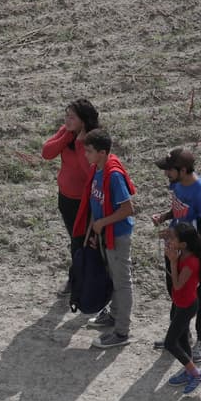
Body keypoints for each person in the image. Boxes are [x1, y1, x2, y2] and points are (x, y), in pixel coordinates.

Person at [150, 147, 201, 363]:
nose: (166, 174)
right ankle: (179, 335)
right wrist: (165, 217)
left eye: (169, 170)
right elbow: (180, 209)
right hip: (175, 246)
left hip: (191, 253)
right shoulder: (179, 184)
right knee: (175, 290)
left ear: (182, 170)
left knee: (199, 296)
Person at [73, 128, 137, 349]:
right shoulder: (98, 169)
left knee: (122, 282)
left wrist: (101, 223)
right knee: (113, 278)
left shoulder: (113, 174)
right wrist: (93, 229)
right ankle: (113, 316)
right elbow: (96, 202)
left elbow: (128, 209)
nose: (85, 155)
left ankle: (121, 333)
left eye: (89, 151)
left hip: (117, 236)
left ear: (101, 152)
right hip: (104, 235)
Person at [41, 99, 99, 295]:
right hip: (65, 199)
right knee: (78, 240)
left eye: (71, 117)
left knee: (80, 240)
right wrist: (67, 138)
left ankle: (78, 280)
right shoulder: (65, 132)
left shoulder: (93, 140)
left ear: (83, 121)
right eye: (66, 115)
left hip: (85, 202)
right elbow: (47, 153)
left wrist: (80, 143)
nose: (67, 119)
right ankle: (81, 278)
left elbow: (89, 171)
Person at [162, 223, 201, 394]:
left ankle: (197, 374)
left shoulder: (191, 262)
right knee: (182, 341)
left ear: (183, 244)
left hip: (187, 307)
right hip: (179, 304)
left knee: (170, 343)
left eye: (173, 238)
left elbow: (176, 284)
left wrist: (172, 262)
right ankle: (189, 371)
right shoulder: (182, 253)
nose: (169, 240)